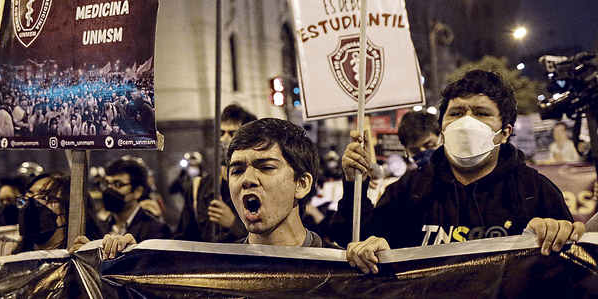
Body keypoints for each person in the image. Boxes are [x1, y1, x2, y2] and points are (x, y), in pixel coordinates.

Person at [333, 70, 584, 274]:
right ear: (442, 127)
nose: (466, 121)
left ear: (505, 132)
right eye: (456, 113)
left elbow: (570, 272)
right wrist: (356, 182)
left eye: (481, 113)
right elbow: (353, 238)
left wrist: (558, 233)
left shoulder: (534, 191)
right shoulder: (411, 189)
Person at [0, 143, 100, 267]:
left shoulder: (86, 254)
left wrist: (88, 261)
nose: (30, 204)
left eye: (44, 197)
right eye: (27, 197)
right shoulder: (9, 249)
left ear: (69, 209)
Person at [226, 118, 339, 248]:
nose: (247, 179)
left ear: (302, 184)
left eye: (266, 168)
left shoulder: (337, 266)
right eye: (238, 171)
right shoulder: (220, 266)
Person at [173, 104, 256, 242]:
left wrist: (233, 224)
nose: (224, 139)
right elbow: (183, 239)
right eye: (221, 133)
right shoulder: (199, 188)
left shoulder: (256, 185)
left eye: (233, 133)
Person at [98, 156, 172, 242]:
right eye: (106, 183)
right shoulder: (98, 227)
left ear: (137, 191)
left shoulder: (156, 231)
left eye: (117, 184)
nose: (109, 190)